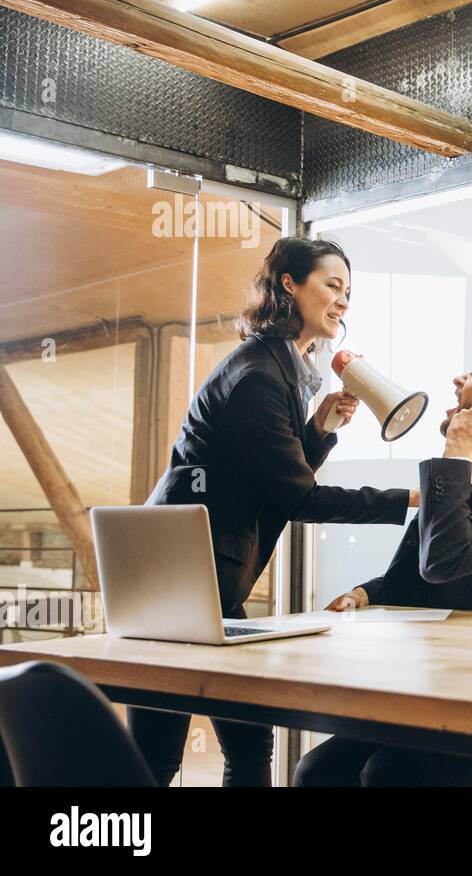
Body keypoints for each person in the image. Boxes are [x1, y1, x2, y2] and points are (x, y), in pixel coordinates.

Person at [132, 237, 415, 787]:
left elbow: (270, 481)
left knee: (244, 739)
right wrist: (410, 499)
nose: (343, 302)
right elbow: (298, 497)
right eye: (332, 285)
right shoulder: (259, 376)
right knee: (160, 756)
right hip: (178, 580)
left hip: (203, 579)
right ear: (289, 283)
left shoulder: (279, 369)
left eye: (348, 292)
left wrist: (318, 432)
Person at [294, 343, 472, 787]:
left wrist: (456, 452)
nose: (459, 380)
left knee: (387, 775)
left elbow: (445, 560)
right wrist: (364, 593)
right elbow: (409, 577)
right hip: (440, 689)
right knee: (316, 771)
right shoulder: (458, 478)